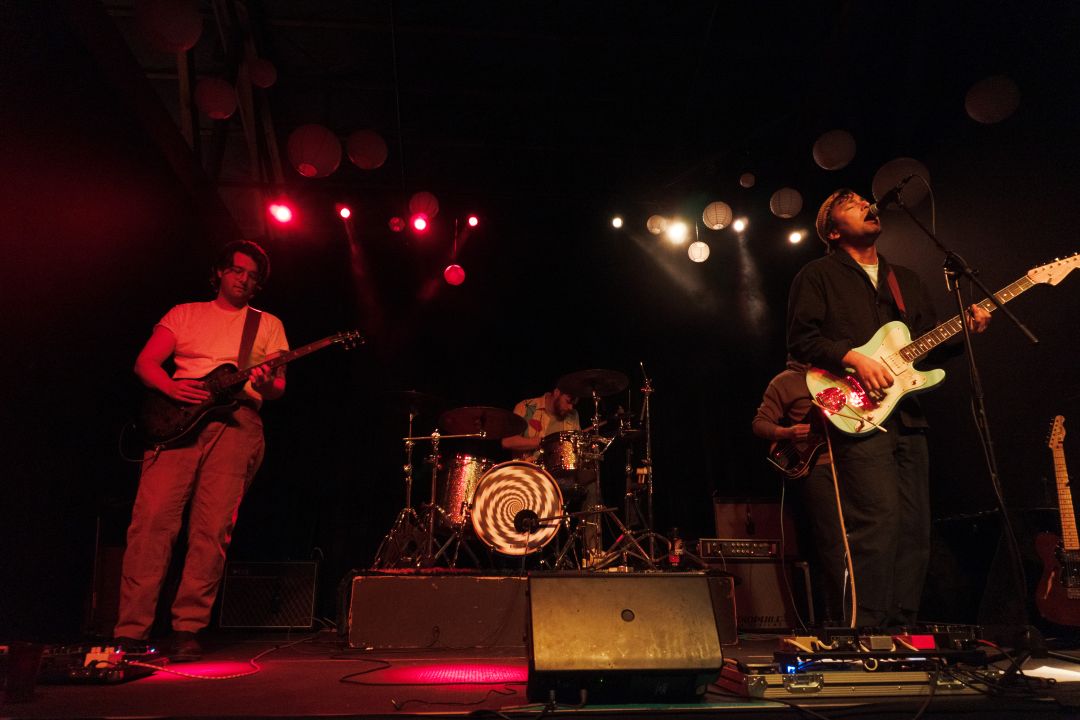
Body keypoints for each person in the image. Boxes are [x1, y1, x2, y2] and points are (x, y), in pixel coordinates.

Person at [785, 189, 990, 628]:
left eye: (865, 200)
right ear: (833, 231)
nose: (866, 204)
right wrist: (854, 358)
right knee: (875, 522)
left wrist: (964, 330)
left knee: (914, 528)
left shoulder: (906, 280)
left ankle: (901, 629)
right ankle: (865, 631)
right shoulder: (818, 275)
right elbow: (802, 340)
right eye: (851, 204)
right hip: (857, 413)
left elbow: (924, 350)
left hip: (908, 416)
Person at [114, 240, 288, 659]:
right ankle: (131, 630)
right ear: (220, 272)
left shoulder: (267, 324)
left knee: (212, 529)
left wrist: (266, 382)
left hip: (237, 422)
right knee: (152, 521)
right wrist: (171, 386)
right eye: (237, 270)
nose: (243, 279)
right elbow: (145, 363)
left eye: (252, 276)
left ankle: (187, 628)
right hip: (176, 420)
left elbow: (278, 387)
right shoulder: (184, 313)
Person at [752, 359, 846, 625]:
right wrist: (787, 432)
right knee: (832, 542)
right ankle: (840, 616)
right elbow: (759, 423)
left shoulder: (839, 373)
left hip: (852, 462)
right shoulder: (785, 381)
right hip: (818, 466)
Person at [501, 385, 603, 559]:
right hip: (528, 477)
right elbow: (507, 442)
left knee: (593, 483)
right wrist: (540, 441)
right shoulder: (526, 407)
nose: (570, 407)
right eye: (568, 401)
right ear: (557, 393)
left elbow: (574, 452)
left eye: (573, 404)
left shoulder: (573, 415)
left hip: (559, 478)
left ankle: (592, 553)